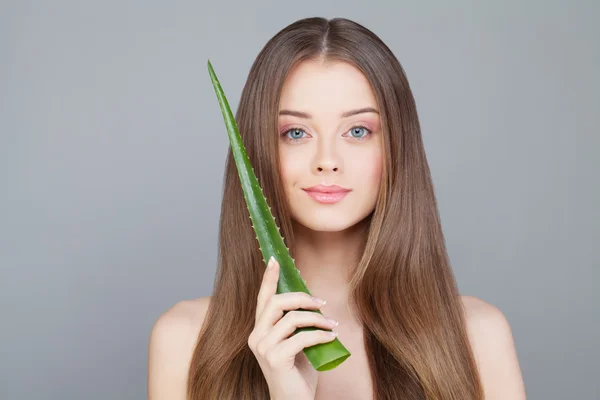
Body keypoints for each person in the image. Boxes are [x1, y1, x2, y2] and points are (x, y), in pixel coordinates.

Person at [147, 16, 526, 400]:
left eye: (357, 131)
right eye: (296, 133)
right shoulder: (184, 341)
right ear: (258, 151)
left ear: (396, 148)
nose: (327, 160)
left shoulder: (478, 337)